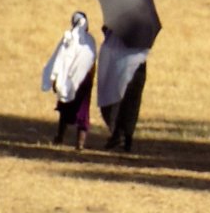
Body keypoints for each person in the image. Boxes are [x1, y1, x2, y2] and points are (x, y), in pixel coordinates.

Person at [41, 11, 96, 150]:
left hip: (68, 80)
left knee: (65, 108)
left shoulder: (68, 38)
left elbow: (59, 59)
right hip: (85, 80)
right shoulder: (90, 41)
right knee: (83, 110)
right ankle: (80, 143)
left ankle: (60, 137)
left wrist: (54, 78)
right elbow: (92, 61)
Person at [97, 25, 149, 153]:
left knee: (116, 105)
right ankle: (126, 140)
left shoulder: (118, 37)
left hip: (123, 71)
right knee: (132, 107)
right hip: (139, 70)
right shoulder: (142, 36)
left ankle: (117, 135)